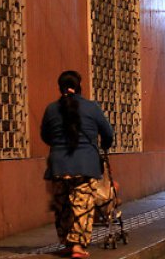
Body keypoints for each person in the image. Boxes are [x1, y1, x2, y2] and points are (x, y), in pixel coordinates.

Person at [41, 71, 114, 259]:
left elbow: (45, 136)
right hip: (85, 165)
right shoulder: (92, 107)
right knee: (82, 206)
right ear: (80, 86)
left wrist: (58, 144)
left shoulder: (51, 109)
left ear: (60, 87)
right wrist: (103, 145)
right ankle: (77, 247)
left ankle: (67, 243)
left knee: (63, 206)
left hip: (58, 166)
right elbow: (108, 133)